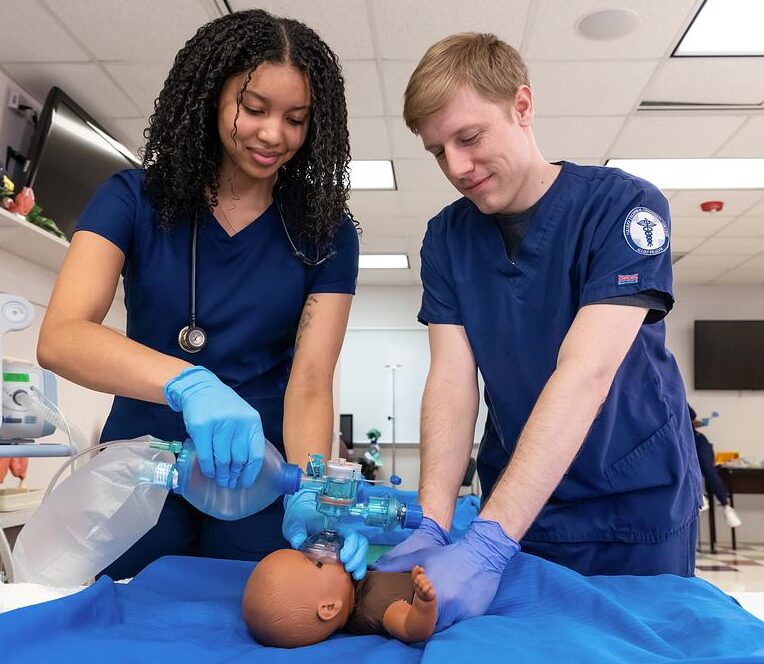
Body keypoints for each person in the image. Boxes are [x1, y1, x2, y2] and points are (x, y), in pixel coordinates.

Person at [374, 33, 701, 630]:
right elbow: (452, 381)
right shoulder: (447, 239)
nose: (456, 167)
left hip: (633, 502)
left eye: (469, 138)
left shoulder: (625, 209)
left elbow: (585, 374)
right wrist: (433, 519)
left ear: (522, 107)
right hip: (523, 506)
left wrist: (487, 544)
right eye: (437, 150)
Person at [36, 9, 367, 580]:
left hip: (257, 479)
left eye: (296, 118)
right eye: (254, 108)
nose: (273, 135)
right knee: (121, 615)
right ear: (213, 99)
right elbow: (63, 337)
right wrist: (189, 384)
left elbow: (310, 382)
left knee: (264, 614)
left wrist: (313, 491)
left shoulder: (326, 232)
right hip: (140, 469)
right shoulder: (131, 198)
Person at [242, 549, 437, 647]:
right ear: (329, 607)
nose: (325, 552)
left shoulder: (356, 583)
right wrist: (424, 603)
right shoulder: (374, 607)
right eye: (318, 562)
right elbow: (413, 630)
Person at [689, 405, 741, 528]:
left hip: (697, 441)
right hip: (680, 443)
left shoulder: (678, 399)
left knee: (708, 469)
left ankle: (726, 506)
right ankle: (699, 495)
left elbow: (692, 423)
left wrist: (701, 423)